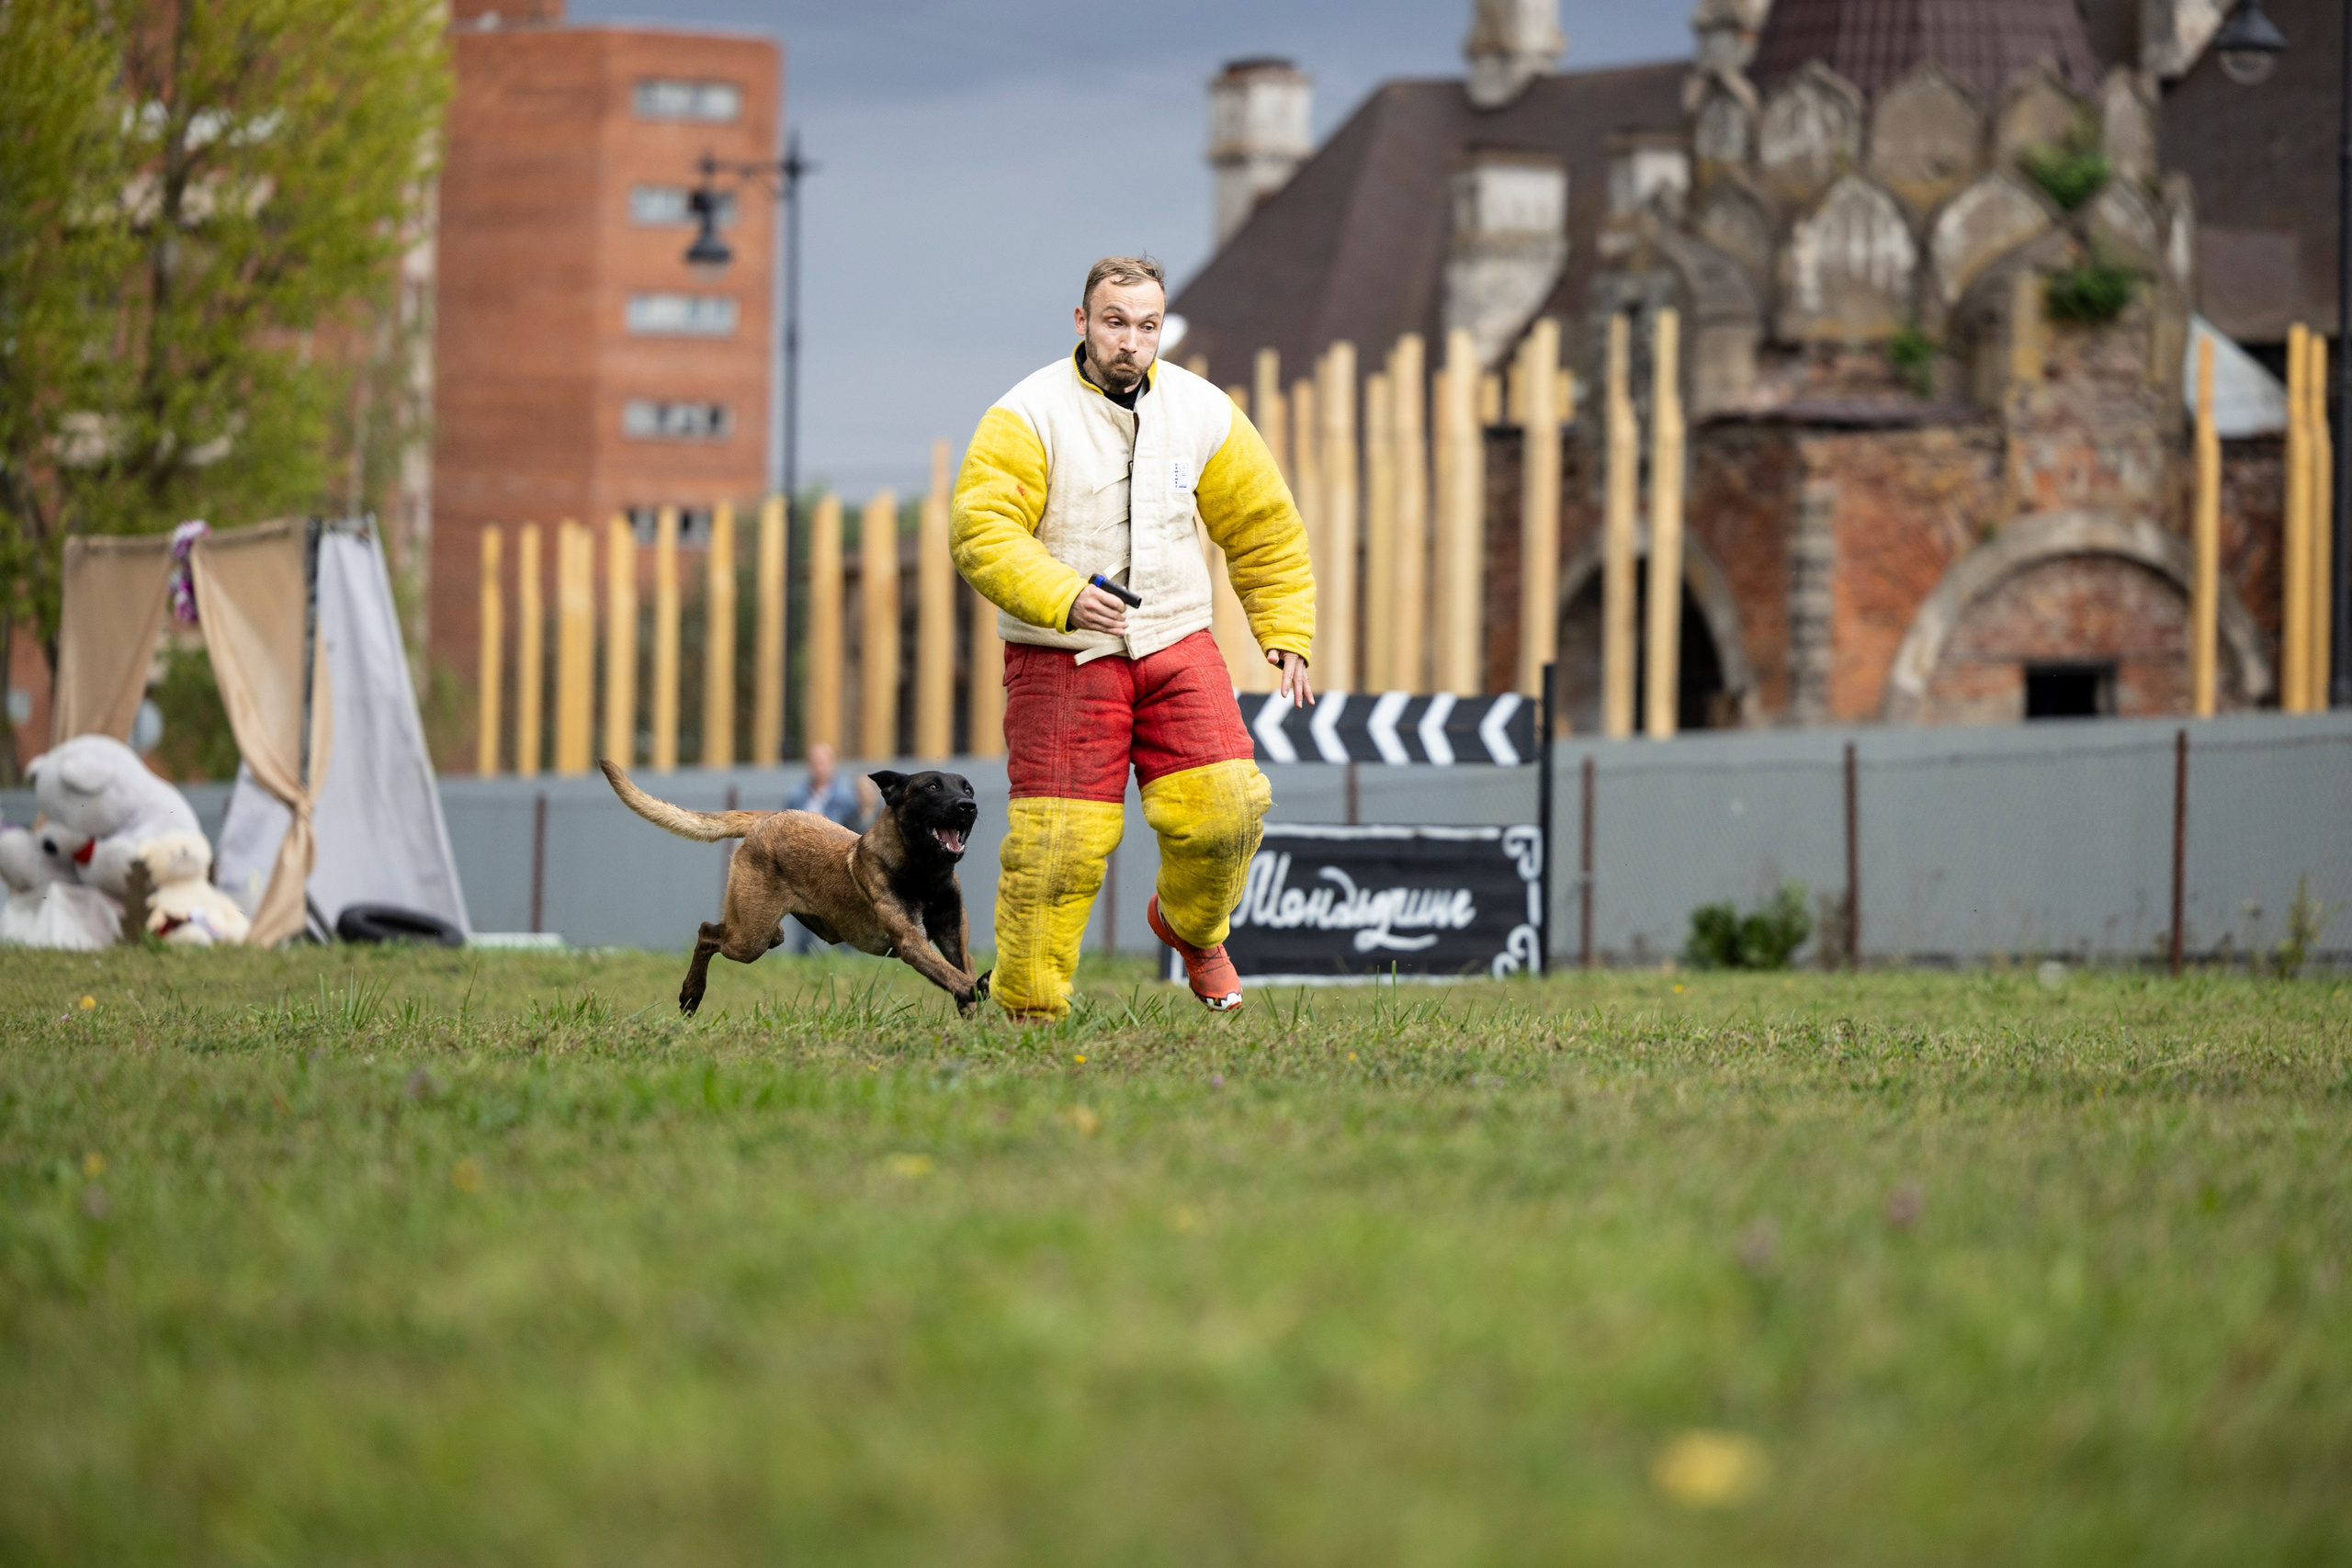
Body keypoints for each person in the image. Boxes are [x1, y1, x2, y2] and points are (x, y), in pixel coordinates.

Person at [950, 254, 1314, 1019]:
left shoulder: (1204, 411)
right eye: (1115, 322)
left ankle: (1191, 928)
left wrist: (1285, 628)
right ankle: (1028, 1013)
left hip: (1176, 638)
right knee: (1057, 846)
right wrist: (1065, 595)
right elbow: (982, 529)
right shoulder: (1027, 413)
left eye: (1147, 326)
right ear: (1082, 321)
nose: (1131, 341)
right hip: (1061, 653)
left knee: (1229, 812)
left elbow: (1263, 526)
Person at [779, 741, 872, 953]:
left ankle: (846, 961)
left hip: (837, 864)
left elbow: (860, 826)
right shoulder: (797, 794)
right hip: (804, 866)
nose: (818, 767)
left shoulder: (847, 794)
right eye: (814, 762)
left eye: (822, 762)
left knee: (843, 918)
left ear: (832, 763)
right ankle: (804, 959)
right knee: (804, 919)